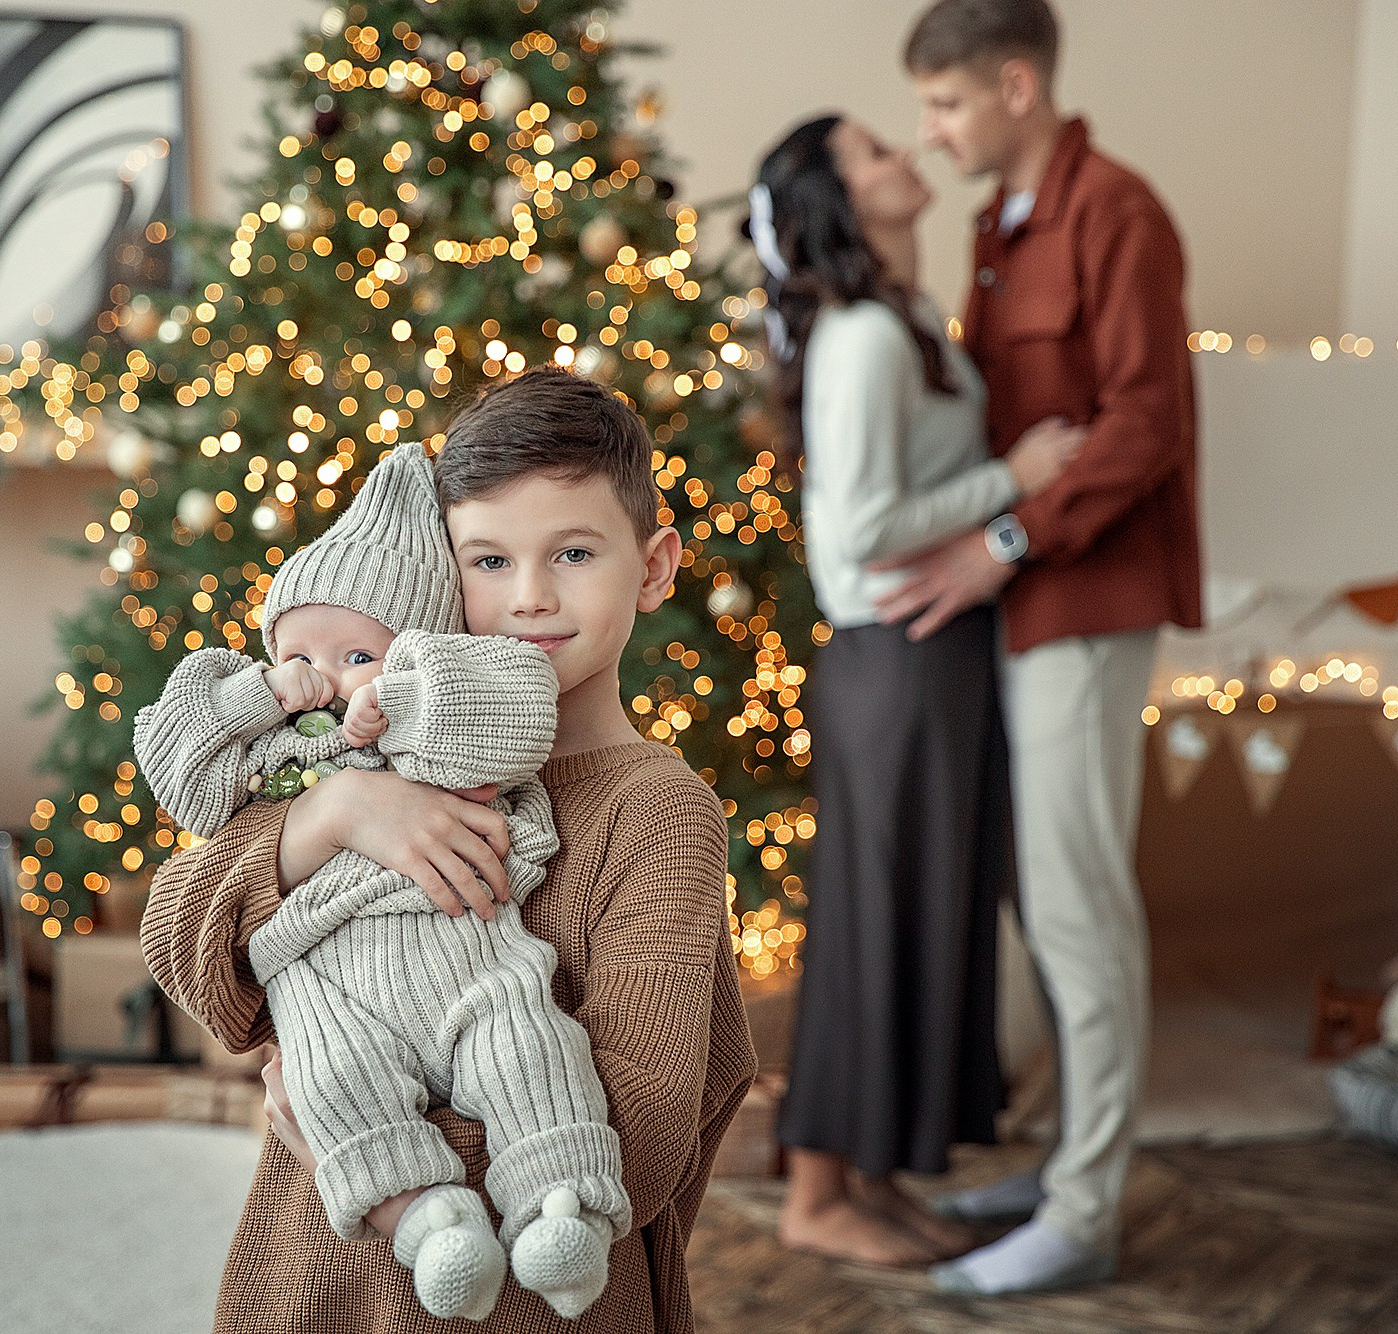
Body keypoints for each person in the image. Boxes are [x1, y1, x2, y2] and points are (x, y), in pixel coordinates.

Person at [141, 366, 758, 1333]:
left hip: (531, 1305)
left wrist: (354, 1153)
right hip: (311, 1281)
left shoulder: (657, 816)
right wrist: (336, 816)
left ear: (653, 565)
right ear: (439, 576)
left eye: (576, 552)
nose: (530, 598)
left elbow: (633, 1148)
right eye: (488, 561)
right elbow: (185, 951)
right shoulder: (348, 760)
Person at [882, 0, 1204, 1296]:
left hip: (1086, 601)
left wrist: (999, 544)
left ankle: (1084, 1209)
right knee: (1043, 902)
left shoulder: (1118, 211)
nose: (932, 132)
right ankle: (1076, 1154)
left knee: (1079, 914)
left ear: (1018, 87)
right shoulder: (993, 228)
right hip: (1022, 614)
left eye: (946, 105)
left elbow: (1145, 426)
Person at [748, 114, 1079, 1267]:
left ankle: (870, 1179)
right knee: (872, 922)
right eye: (874, 150)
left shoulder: (899, 324)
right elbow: (861, 536)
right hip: (892, 659)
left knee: (920, 916)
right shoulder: (861, 341)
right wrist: (1015, 484)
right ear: (841, 203)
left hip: (930, 659)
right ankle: (816, 1193)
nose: (905, 154)